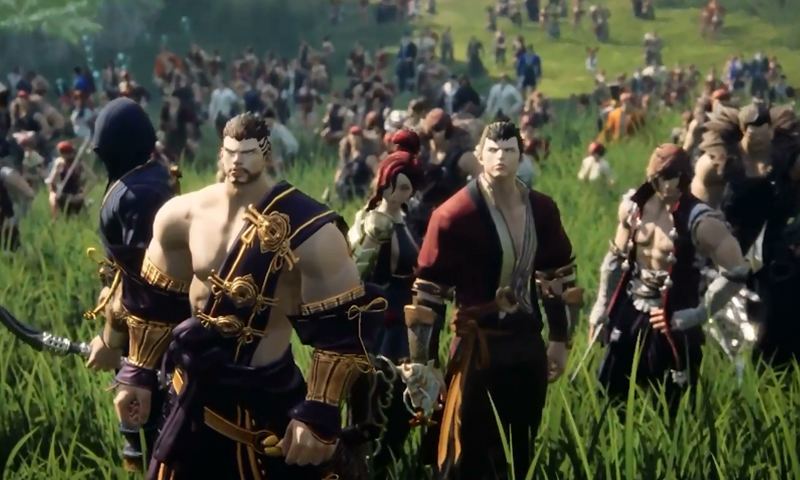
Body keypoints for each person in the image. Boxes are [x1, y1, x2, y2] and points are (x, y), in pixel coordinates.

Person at [111, 113, 384, 479]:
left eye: (248, 153)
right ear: (220, 154)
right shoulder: (181, 215)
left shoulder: (311, 229)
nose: (237, 161)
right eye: (231, 152)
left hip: (264, 408)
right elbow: (156, 301)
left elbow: (343, 327)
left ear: (266, 154)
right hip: (189, 399)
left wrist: (320, 409)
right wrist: (138, 372)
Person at [401, 121, 579, 479]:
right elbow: (428, 294)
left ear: (521, 155)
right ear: (479, 155)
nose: (501, 157)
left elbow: (558, 275)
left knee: (519, 451)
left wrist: (560, 339)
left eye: (509, 150)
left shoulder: (542, 209)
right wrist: (425, 364)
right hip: (477, 351)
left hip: (527, 346)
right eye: (493, 150)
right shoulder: (453, 215)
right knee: (465, 454)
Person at [75, 97, 188, 471]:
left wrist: (111, 339)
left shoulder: (139, 195)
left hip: (154, 341)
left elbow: (143, 286)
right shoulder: (147, 179)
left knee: (156, 443)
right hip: (149, 333)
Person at [589, 144, 748, 408]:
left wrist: (699, 313)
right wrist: (601, 305)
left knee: (671, 401)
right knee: (610, 391)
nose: (663, 185)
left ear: (684, 178)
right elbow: (615, 259)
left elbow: (736, 272)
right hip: (631, 306)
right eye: (656, 178)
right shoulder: (633, 208)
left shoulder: (701, 220)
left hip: (673, 316)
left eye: (670, 177)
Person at [346, 130, 424, 475]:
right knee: (377, 396)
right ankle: (367, 462)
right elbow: (356, 272)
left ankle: (390, 461)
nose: (398, 193)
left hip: (407, 315)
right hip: (381, 318)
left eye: (405, 188)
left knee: (405, 398)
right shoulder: (374, 221)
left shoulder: (405, 219)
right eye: (394, 186)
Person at [406, 108, 479, 238]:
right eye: (431, 131)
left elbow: (483, 180)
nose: (434, 135)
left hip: (446, 220)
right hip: (416, 218)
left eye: (438, 129)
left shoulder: (461, 156)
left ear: (447, 130)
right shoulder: (421, 153)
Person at [45, 140, 90, 218]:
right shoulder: (61, 162)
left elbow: (52, 181)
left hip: (71, 195)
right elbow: (52, 181)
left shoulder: (76, 162)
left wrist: (83, 194)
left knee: (76, 218)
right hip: (70, 195)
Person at [0, 163, 34, 250]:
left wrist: (15, 217)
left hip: (7, 219)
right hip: (7, 218)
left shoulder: (5, 173)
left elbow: (29, 194)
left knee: (13, 248)